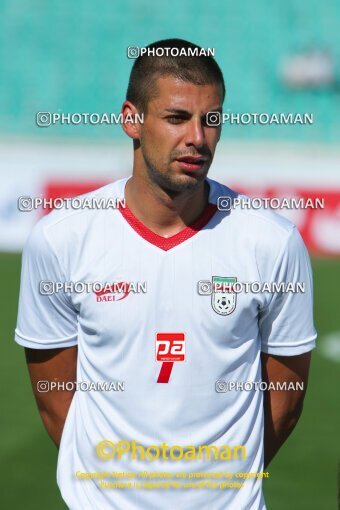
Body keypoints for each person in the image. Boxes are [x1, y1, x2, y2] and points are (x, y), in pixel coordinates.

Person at [15, 39, 316, 510]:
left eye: (211, 119)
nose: (198, 137)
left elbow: (286, 397)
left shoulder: (272, 242)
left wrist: (217, 489)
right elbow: (56, 401)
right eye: (177, 118)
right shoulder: (59, 240)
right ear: (131, 119)